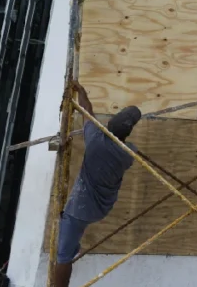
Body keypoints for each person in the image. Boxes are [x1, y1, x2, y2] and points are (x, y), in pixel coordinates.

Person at [54, 82, 142, 287]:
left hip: (79, 208)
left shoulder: (95, 140)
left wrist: (81, 92)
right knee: (72, 239)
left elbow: (86, 111)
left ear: (109, 126)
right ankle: (73, 244)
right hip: (101, 208)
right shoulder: (129, 153)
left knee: (63, 256)